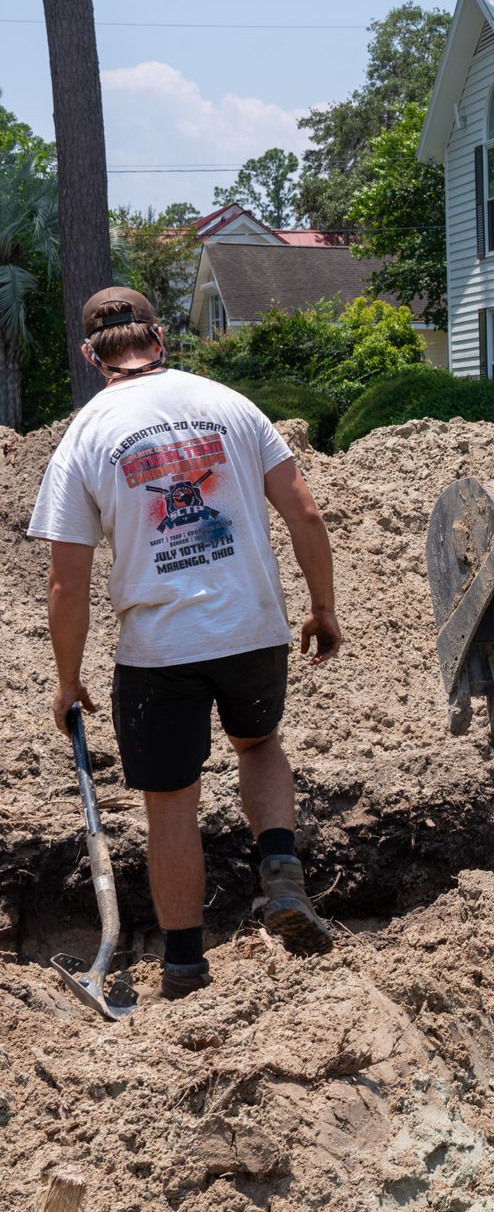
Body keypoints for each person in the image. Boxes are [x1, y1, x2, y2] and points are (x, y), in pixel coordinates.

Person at [29, 287, 344, 999]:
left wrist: (68, 678)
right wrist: (322, 608)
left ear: (90, 355)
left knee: (171, 805)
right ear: (161, 337)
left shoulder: (85, 435)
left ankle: (183, 970)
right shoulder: (231, 406)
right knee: (258, 745)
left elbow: (66, 582)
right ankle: (282, 874)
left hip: (159, 649)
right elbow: (306, 513)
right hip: (251, 630)